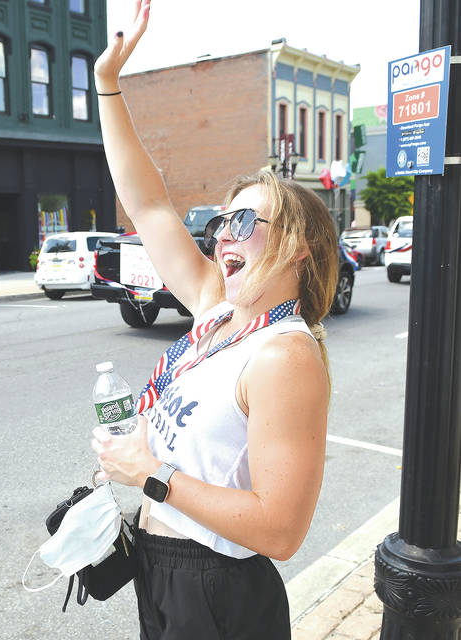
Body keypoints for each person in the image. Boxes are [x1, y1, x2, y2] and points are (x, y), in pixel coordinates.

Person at [91, 2, 338, 638]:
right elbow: (146, 202)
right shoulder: (215, 307)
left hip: (217, 594)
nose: (225, 233)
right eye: (223, 221)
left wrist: (149, 474)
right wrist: (107, 86)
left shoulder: (284, 355)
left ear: (299, 247)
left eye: (247, 221)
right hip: (162, 568)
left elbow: (280, 529)